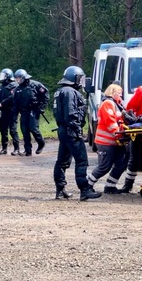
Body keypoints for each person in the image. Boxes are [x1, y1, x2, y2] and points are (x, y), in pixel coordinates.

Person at [53, 66, 102, 201]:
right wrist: (76, 128)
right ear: (74, 78)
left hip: (63, 130)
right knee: (81, 161)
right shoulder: (70, 92)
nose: (81, 81)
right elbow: (70, 114)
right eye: (79, 78)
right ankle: (85, 190)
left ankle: (60, 188)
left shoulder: (60, 91)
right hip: (71, 131)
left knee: (62, 161)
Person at [86, 84, 128, 194]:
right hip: (106, 141)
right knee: (104, 166)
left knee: (121, 164)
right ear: (112, 92)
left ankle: (110, 186)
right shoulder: (107, 104)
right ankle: (87, 185)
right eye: (119, 93)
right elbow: (110, 121)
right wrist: (119, 133)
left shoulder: (118, 104)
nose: (121, 95)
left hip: (116, 142)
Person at [13, 69, 48, 156]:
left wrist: (42, 107)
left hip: (34, 110)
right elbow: (16, 103)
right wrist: (15, 115)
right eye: (16, 78)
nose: (17, 80)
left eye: (19, 78)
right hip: (23, 111)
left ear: (24, 77)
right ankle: (27, 150)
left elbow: (45, 95)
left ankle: (41, 143)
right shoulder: (17, 89)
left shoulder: (35, 84)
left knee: (33, 129)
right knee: (24, 130)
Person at [0, 68, 21, 156]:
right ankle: (4, 148)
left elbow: (12, 97)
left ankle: (16, 149)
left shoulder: (14, 85)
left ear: (8, 76)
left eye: (3, 76)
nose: (1, 78)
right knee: (3, 130)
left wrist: (2, 103)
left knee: (13, 130)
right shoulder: (1, 87)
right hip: (3, 111)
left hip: (12, 110)